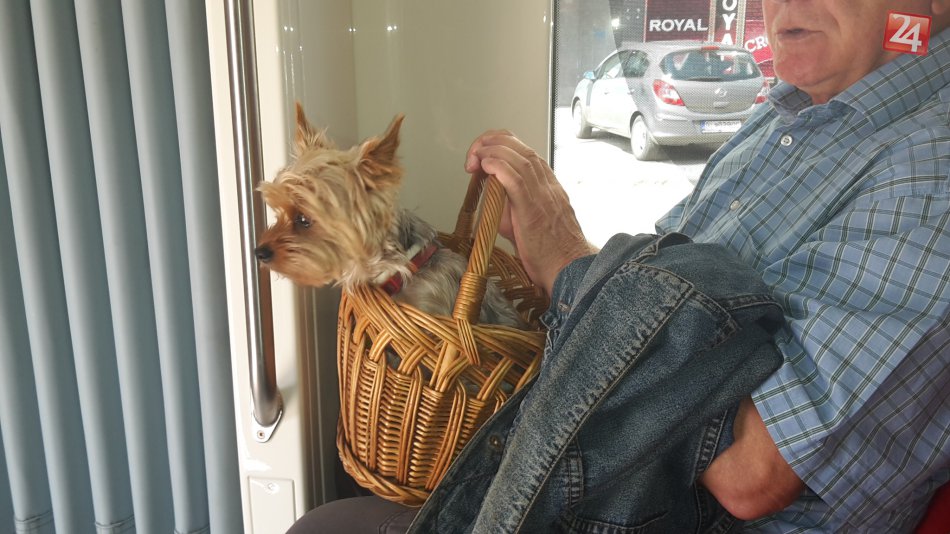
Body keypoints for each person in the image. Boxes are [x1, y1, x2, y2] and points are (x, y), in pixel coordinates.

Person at [288, 0, 950, 531]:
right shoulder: (783, 114)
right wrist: (566, 256)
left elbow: (752, 472)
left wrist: (568, 263)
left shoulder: (930, 169)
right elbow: (665, 295)